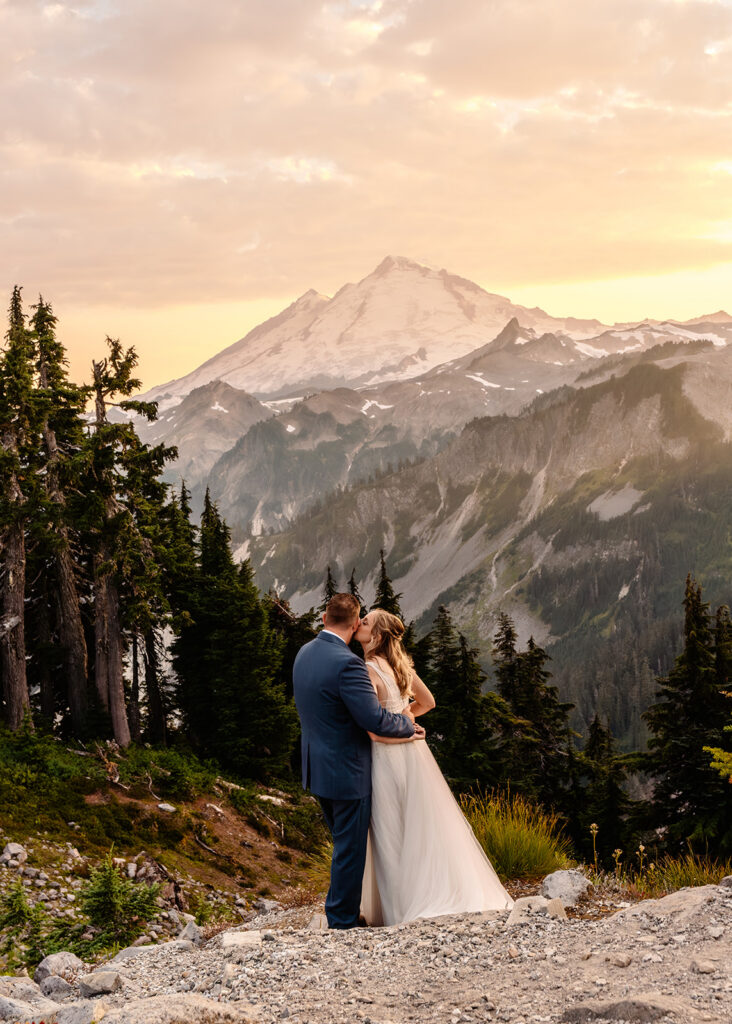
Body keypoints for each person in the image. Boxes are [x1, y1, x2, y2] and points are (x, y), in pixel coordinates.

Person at [357, 608, 513, 926]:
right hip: (415, 753)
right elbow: (428, 702)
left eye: (366, 621)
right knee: (423, 823)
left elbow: (373, 723)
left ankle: (401, 907)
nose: (360, 623)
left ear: (378, 635)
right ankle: (435, 889)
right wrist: (408, 717)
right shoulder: (401, 666)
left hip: (386, 754)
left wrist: (396, 722)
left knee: (391, 830)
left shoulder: (369, 668)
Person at [293, 593, 421, 929]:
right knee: (349, 848)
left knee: (342, 844)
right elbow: (375, 720)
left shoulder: (304, 653)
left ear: (324, 618)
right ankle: (342, 920)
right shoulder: (348, 663)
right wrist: (408, 724)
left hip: (315, 767)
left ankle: (343, 911)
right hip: (347, 770)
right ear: (353, 625)